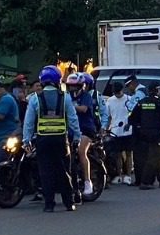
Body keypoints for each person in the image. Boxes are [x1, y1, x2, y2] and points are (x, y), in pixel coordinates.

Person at [23, 66, 80, 213]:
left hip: (43, 140)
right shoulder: (65, 97)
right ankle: (69, 203)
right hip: (61, 139)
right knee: (63, 170)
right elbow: (73, 119)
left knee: (45, 172)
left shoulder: (35, 98)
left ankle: (49, 205)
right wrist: (77, 137)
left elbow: (28, 122)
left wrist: (26, 140)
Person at [68, 73, 106, 198]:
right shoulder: (67, 97)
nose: (72, 88)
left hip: (86, 130)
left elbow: (84, 109)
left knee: (81, 151)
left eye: (75, 86)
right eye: (70, 86)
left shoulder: (86, 96)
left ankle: (87, 181)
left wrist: (71, 106)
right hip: (71, 130)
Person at [128, 84, 160, 190]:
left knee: (150, 157)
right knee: (153, 157)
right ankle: (145, 182)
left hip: (143, 135)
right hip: (156, 134)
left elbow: (132, 118)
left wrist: (140, 126)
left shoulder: (141, 102)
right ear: (157, 90)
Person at [105, 78, 134, 185]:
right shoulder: (110, 101)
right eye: (115, 92)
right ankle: (119, 174)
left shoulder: (129, 99)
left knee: (129, 153)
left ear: (122, 90)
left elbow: (133, 114)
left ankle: (128, 175)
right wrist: (106, 129)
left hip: (128, 131)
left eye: (119, 91)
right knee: (117, 154)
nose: (117, 94)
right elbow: (107, 117)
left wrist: (130, 124)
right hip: (115, 131)